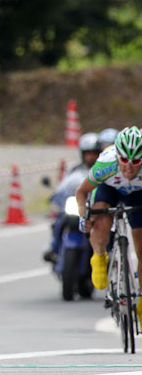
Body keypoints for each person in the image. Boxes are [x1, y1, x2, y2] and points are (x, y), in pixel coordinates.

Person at [76, 126, 142, 319]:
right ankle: (98, 256)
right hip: (110, 189)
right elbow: (81, 192)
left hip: (138, 195)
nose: (129, 166)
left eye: (136, 161)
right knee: (102, 219)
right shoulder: (107, 163)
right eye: (124, 160)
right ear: (117, 156)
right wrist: (84, 216)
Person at [43, 132, 101, 263]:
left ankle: (105, 252)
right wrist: (55, 196)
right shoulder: (74, 169)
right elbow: (63, 186)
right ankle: (53, 247)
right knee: (58, 221)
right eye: (87, 153)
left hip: (94, 209)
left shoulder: (102, 169)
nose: (90, 157)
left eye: (93, 153)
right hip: (77, 208)